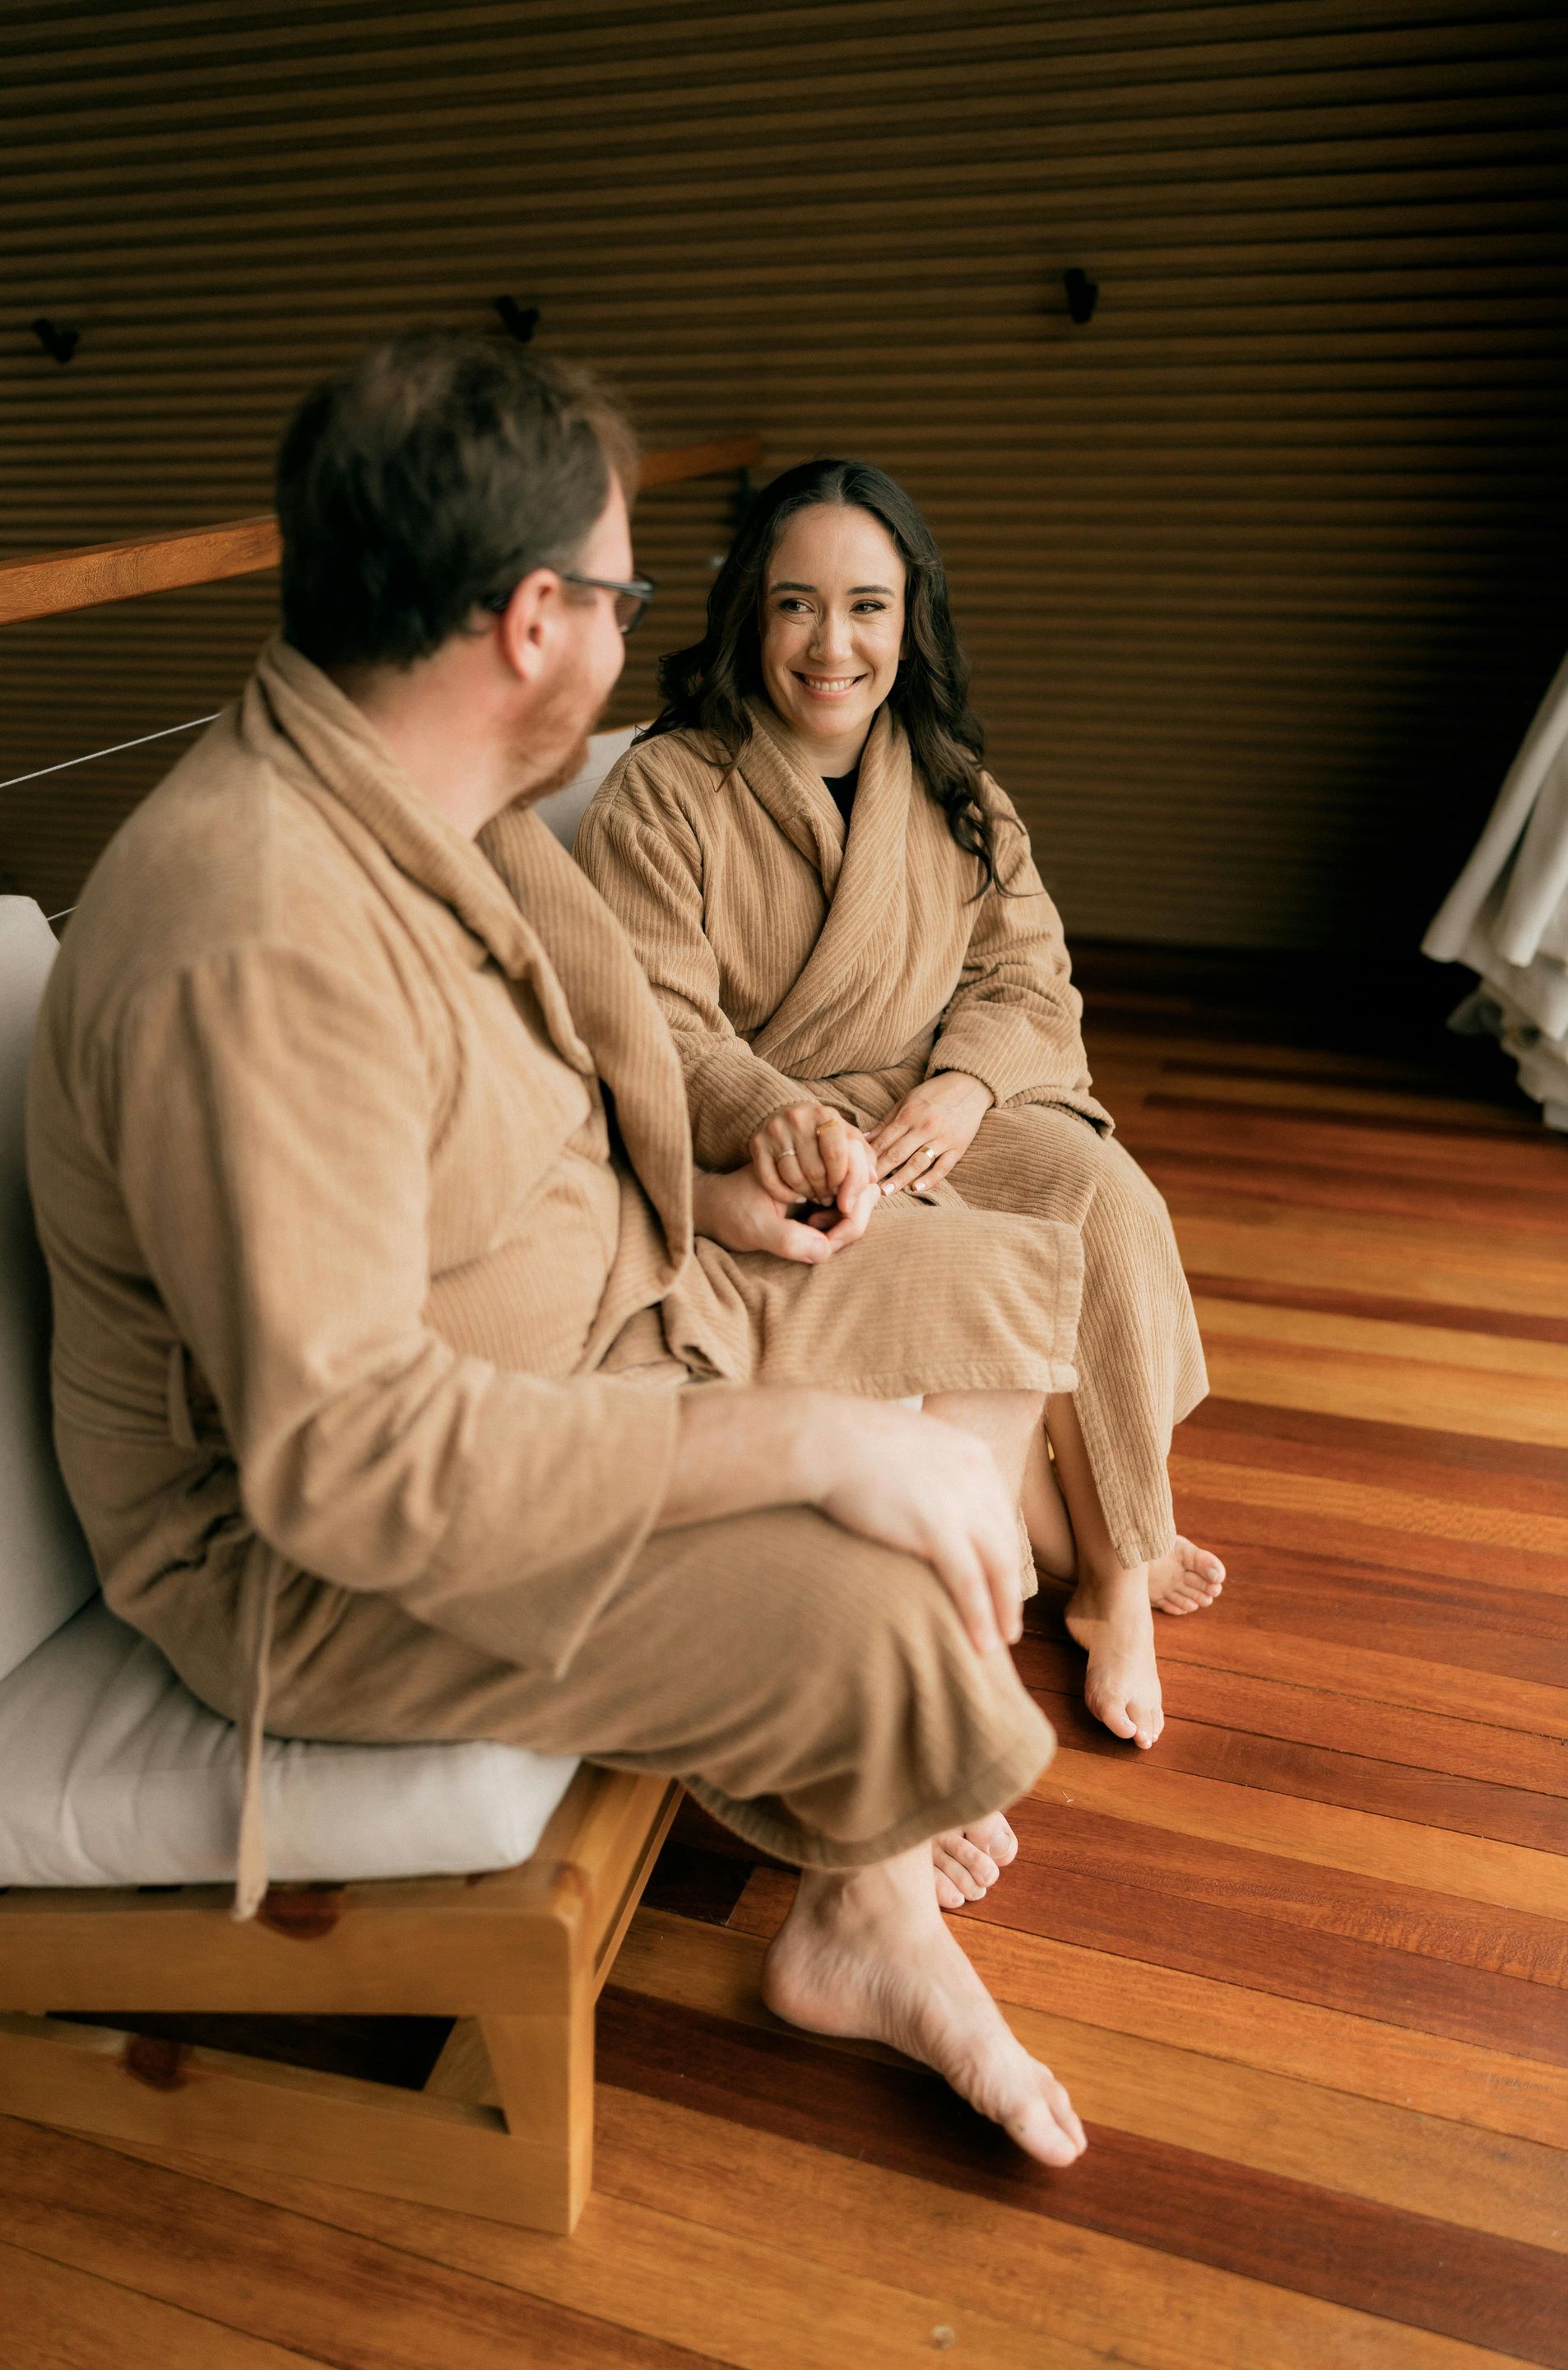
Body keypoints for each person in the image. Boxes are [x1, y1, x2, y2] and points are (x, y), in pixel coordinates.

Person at [26, 336, 1088, 2168]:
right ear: (537, 621)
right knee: (892, 1626)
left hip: (616, 1309)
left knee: (998, 1271)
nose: (629, 631)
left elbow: (552, 1117)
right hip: (300, 1557)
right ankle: (866, 1906)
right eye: (624, 594)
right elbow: (347, 1464)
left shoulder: (436, 803)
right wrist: (820, 1439)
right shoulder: (255, 942)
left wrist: (731, 1210)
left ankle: (853, 1898)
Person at [577, 458, 1223, 1805]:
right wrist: (780, 1113)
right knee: (991, 1254)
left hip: (940, 1101)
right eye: (798, 605)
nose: (833, 644)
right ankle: (1101, 1527)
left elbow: (1030, 976)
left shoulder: (953, 786)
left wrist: (975, 1083)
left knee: (1106, 1198)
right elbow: (658, 1021)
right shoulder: (666, 791)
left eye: (866, 607)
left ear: (907, 620)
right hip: (793, 1134)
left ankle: (1111, 1577)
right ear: (751, 614)